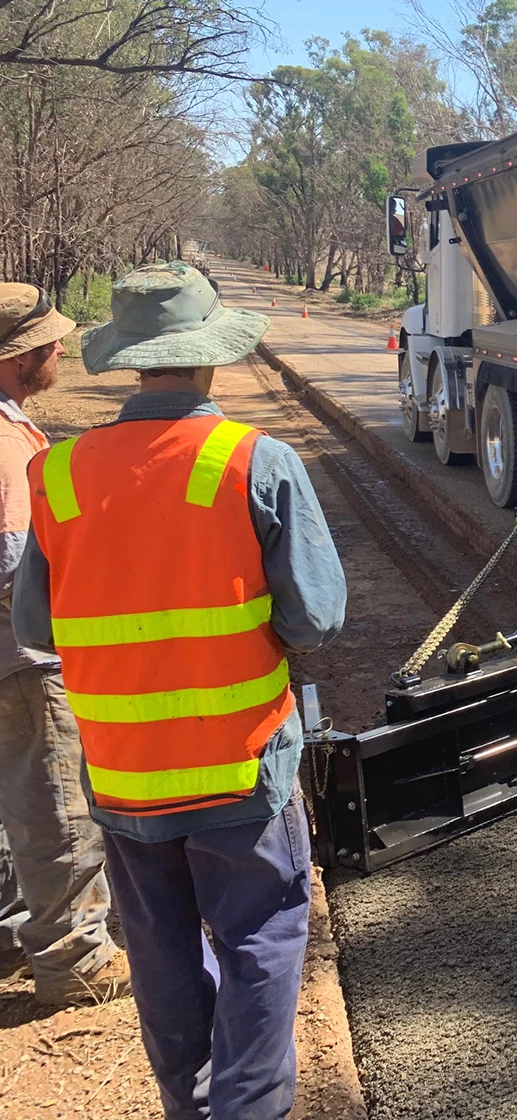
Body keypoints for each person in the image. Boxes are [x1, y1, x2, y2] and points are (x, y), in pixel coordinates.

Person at [14, 262, 347, 1118]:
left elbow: (35, 632)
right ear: (211, 358)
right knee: (261, 942)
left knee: (161, 956)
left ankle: (188, 1105)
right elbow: (315, 619)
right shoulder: (252, 462)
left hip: (124, 779)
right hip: (239, 772)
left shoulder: (57, 475)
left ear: (127, 358)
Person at [0, 283, 130, 1007]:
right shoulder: (6, 443)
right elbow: (14, 568)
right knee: (54, 804)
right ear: (21, 356)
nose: (60, 351)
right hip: (22, 662)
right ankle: (74, 958)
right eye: (50, 344)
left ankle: (16, 928)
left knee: (14, 799)